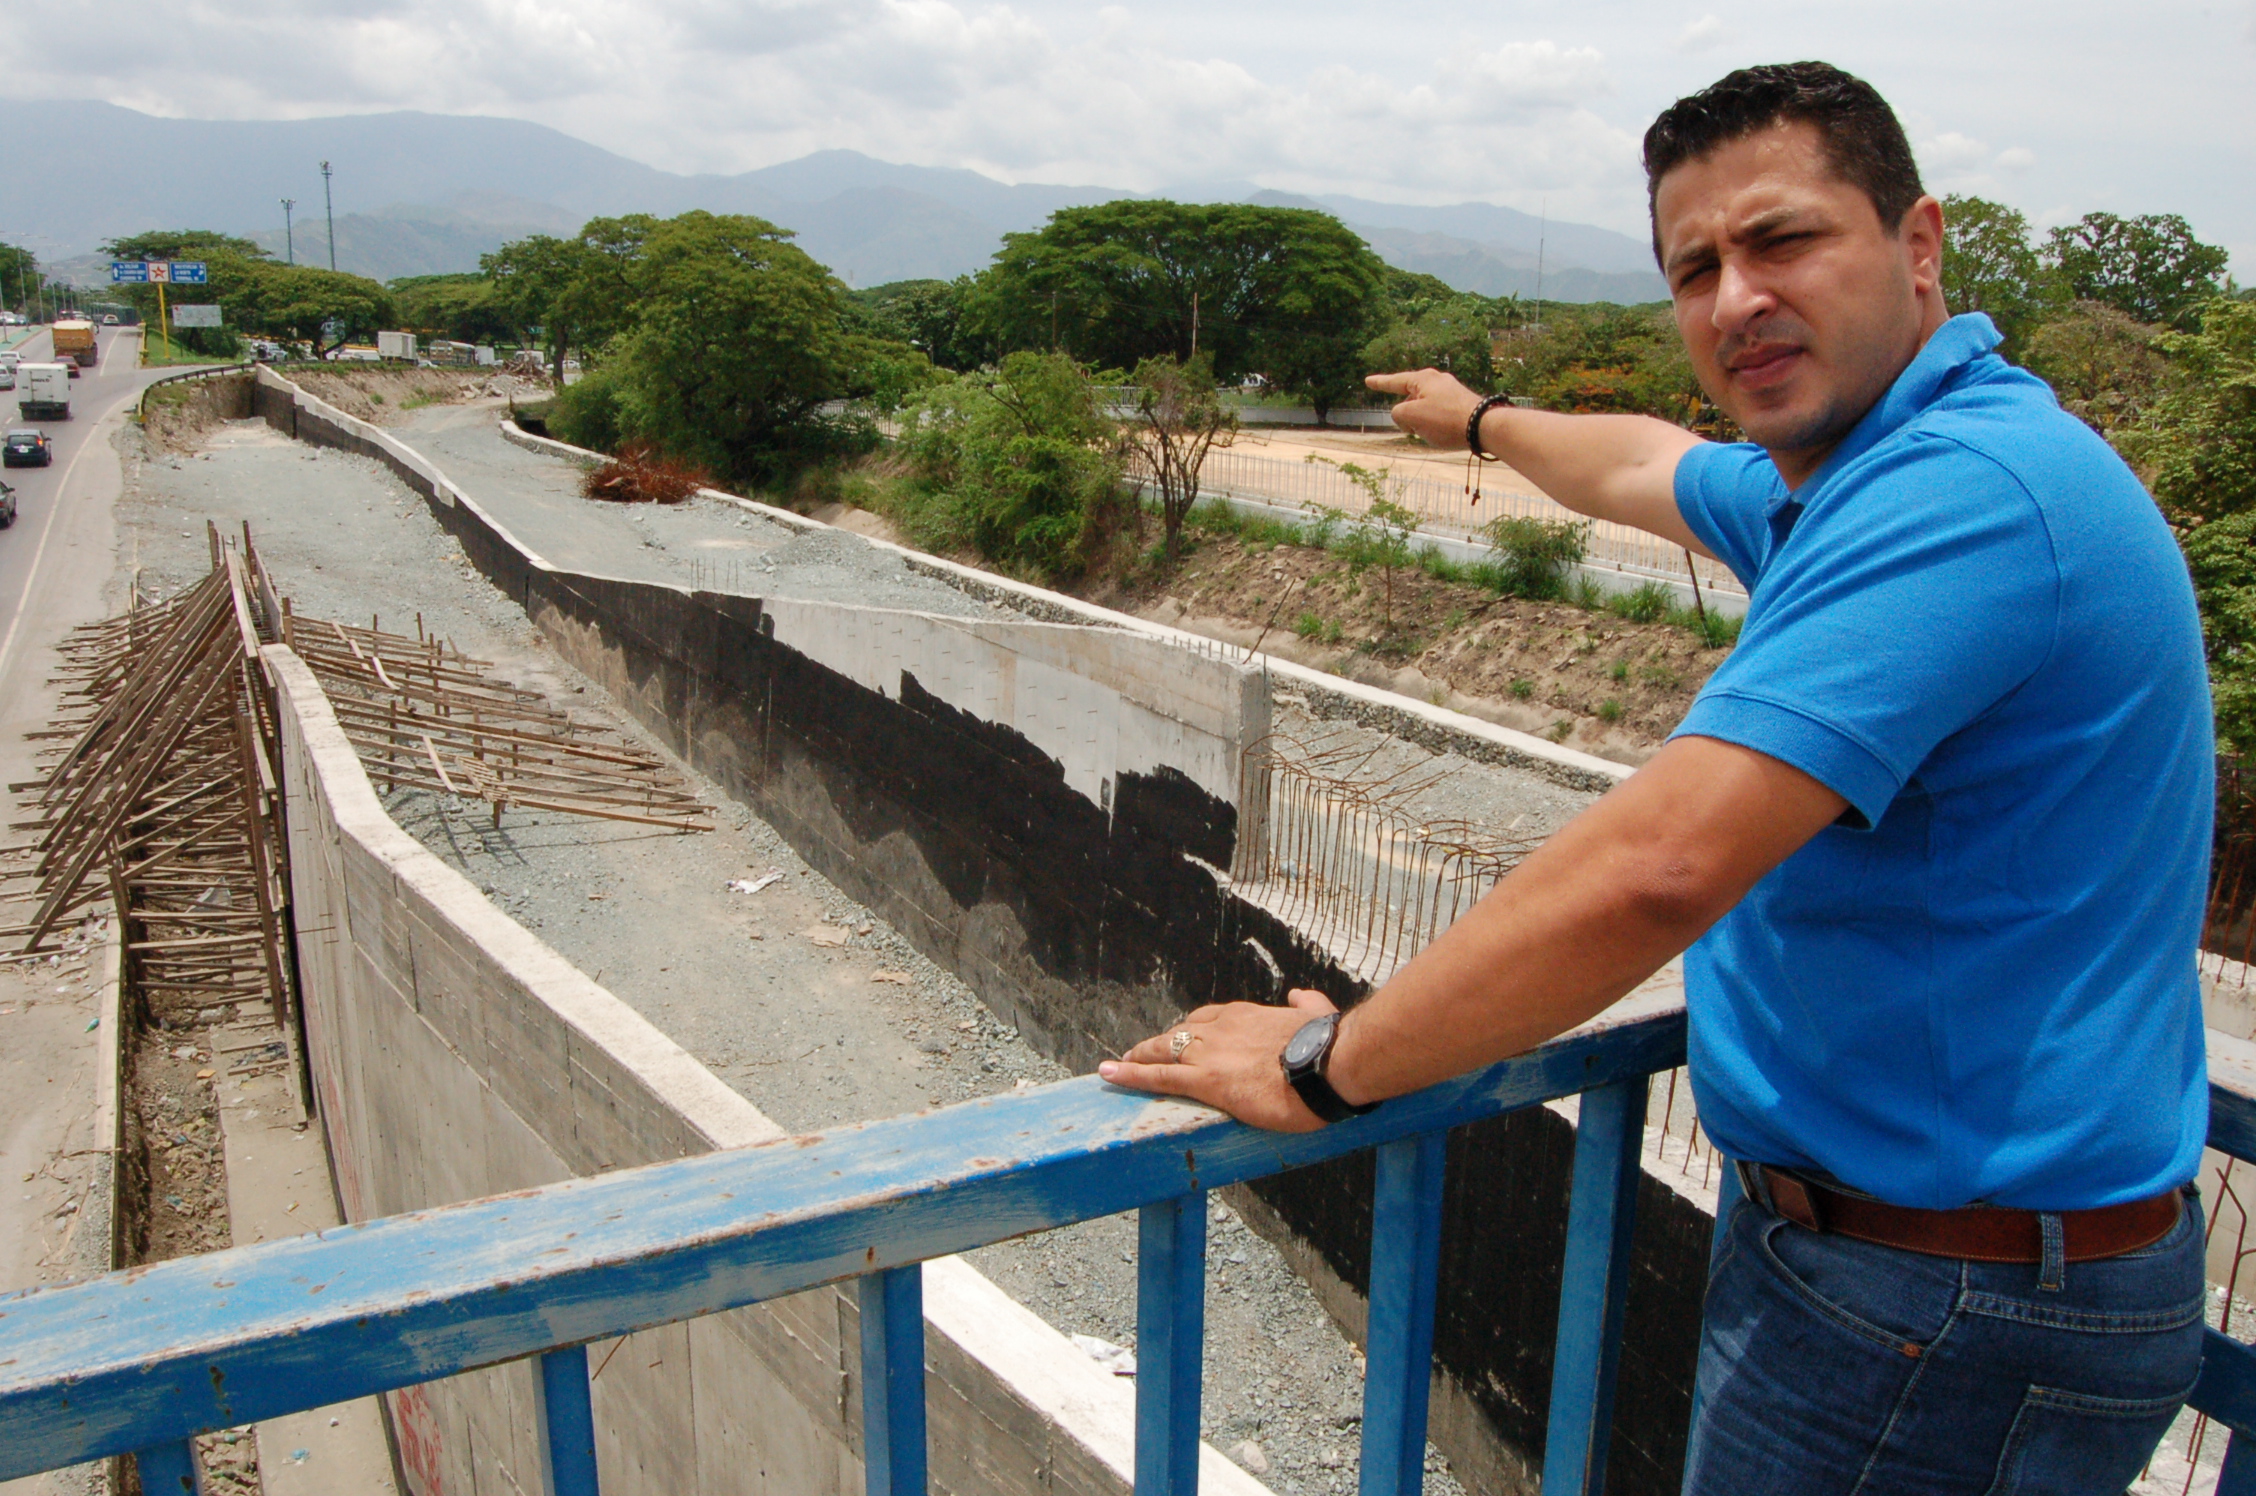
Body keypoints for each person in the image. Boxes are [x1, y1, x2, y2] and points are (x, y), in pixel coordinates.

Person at [1098, 61, 2213, 1494]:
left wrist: (1328, 1069)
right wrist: (1483, 417)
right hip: (1925, 1263)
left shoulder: (1964, 500)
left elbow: (1657, 870)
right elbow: (1641, 465)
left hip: (1940, 1302)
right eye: (1697, 266)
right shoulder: (1857, 473)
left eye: (1785, 240)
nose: (1737, 296)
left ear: (1918, 243)